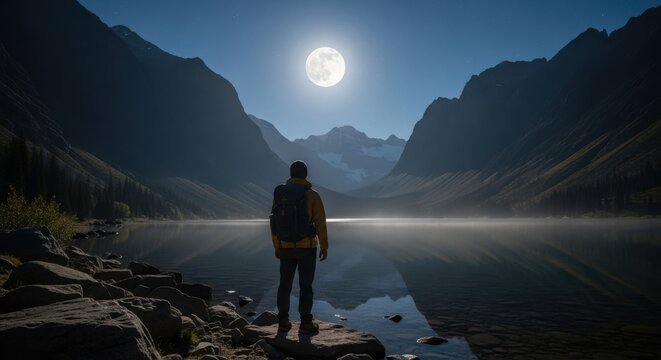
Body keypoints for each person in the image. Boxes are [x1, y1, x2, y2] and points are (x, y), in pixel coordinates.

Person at [270, 160, 328, 334]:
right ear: (306, 175)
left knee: (284, 285)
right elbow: (320, 223)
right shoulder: (313, 195)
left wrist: (277, 245)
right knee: (306, 286)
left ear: (291, 174)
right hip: (307, 248)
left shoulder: (280, 193)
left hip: (285, 246)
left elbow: (274, 222)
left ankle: (283, 321)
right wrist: (324, 246)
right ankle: (305, 324)